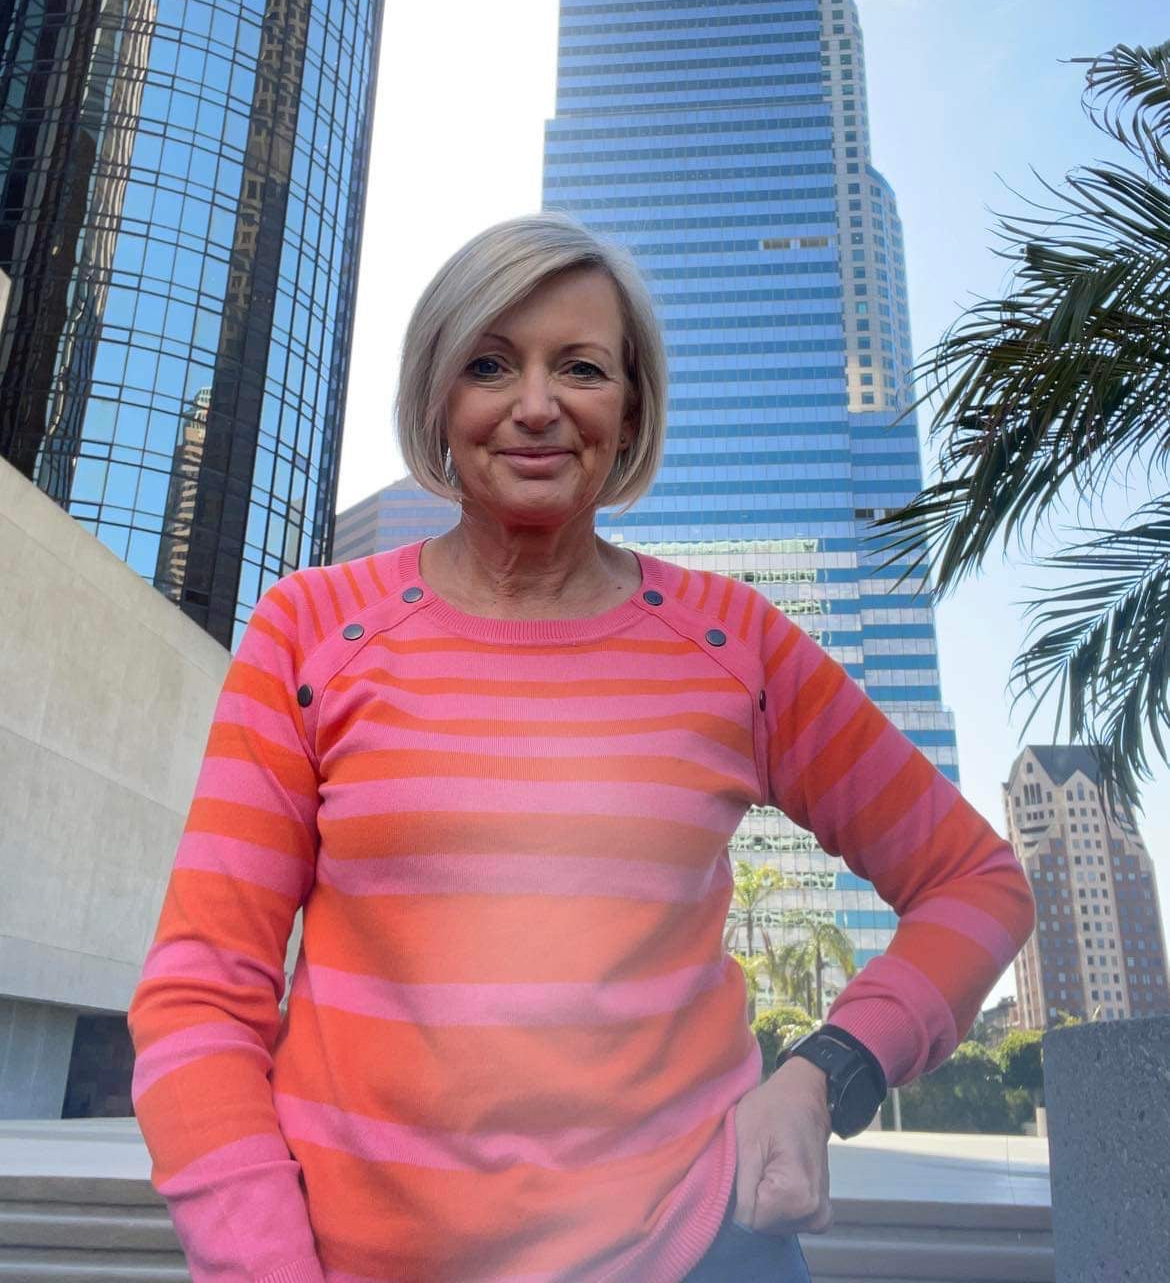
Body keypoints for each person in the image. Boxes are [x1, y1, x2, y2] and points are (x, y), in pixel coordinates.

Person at [129, 214, 1035, 1283]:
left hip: (702, 1252)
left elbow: (976, 884)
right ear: (437, 399)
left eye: (582, 367)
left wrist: (824, 1074)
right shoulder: (309, 628)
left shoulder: (733, 644)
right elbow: (202, 989)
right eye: (490, 364)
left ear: (632, 406)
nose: (535, 405)